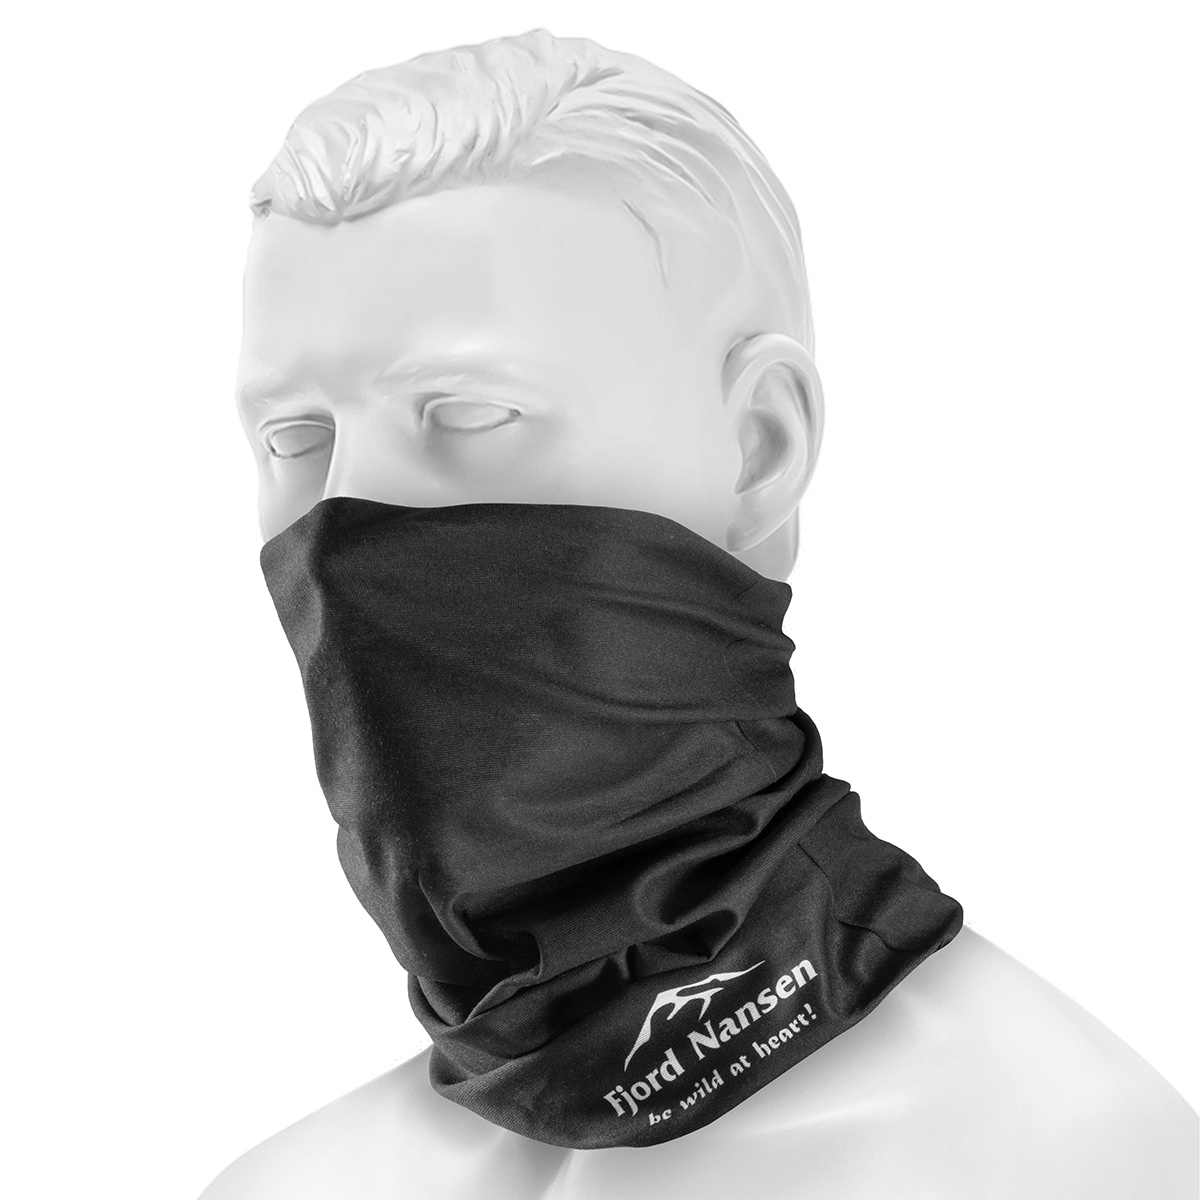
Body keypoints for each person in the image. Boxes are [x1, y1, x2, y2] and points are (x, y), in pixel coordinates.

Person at [200, 27, 1197, 1200]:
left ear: (759, 450)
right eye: (293, 439)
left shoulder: (1060, 1156)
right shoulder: (288, 1185)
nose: (344, 518)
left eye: (469, 414)